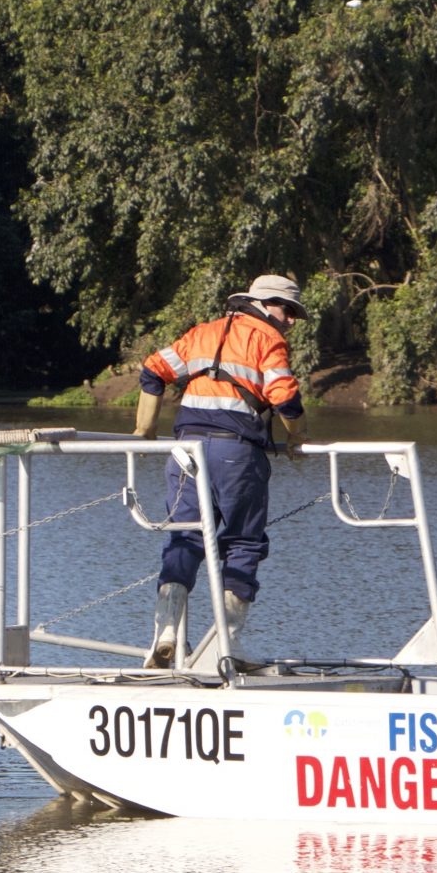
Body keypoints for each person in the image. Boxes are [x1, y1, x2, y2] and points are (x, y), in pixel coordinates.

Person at [133, 275, 309, 666]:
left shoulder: (201, 333)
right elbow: (285, 398)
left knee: (185, 539)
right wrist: (298, 437)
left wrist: (144, 432)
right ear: (263, 305)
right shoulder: (268, 339)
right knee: (244, 543)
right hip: (236, 454)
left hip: (184, 453)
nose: (292, 320)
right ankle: (226, 646)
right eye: (287, 309)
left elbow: (152, 372)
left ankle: (166, 633)